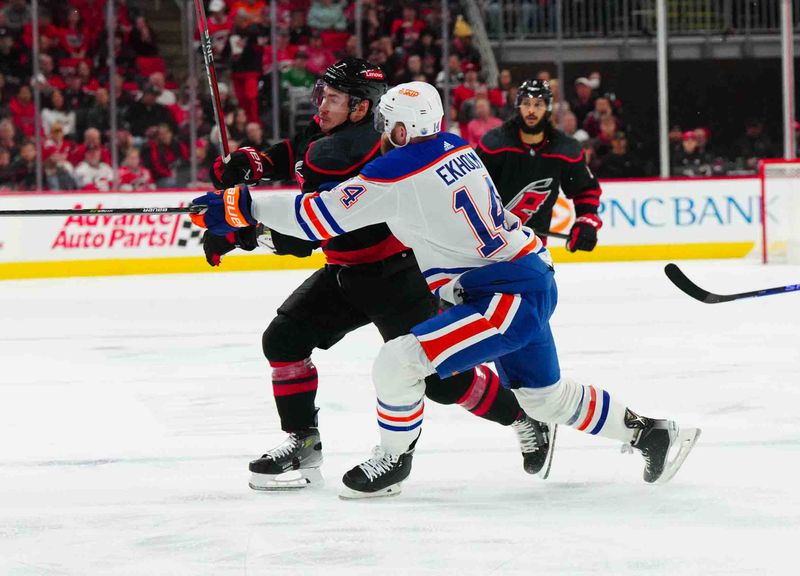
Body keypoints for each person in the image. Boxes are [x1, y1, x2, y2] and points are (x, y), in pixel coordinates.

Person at [192, 81, 701, 498]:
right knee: (543, 399)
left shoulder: (397, 170)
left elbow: (315, 217)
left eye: (384, 124)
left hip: (502, 294)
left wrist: (238, 208)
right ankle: (650, 432)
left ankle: (393, 460)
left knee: (398, 363)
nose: (380, 134)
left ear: (398, 126)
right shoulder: (456, 146)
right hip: (526, 276)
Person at [204, 60, 555, 491]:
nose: (322, 107)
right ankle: (303, 441)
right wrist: (251, 163)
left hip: (395, 276)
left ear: (360, 109)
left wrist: (242, 229)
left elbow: (307, 233)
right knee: (283, 339)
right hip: (346, 272)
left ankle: (524, 418)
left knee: (441, 379)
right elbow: (297, 151)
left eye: (332, 99)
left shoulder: (360, 155)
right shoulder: (334, 136)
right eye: (323, 95)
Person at [477, 79, 603, 253]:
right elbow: (472, 188)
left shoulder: (564, 149)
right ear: (517, 106)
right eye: (526, 103)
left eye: (538, 104)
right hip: (489, 243)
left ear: (548, 107)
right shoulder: (494, 144)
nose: (531, 110)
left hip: (534, 247)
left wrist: (586, 221)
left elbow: (585, 190)